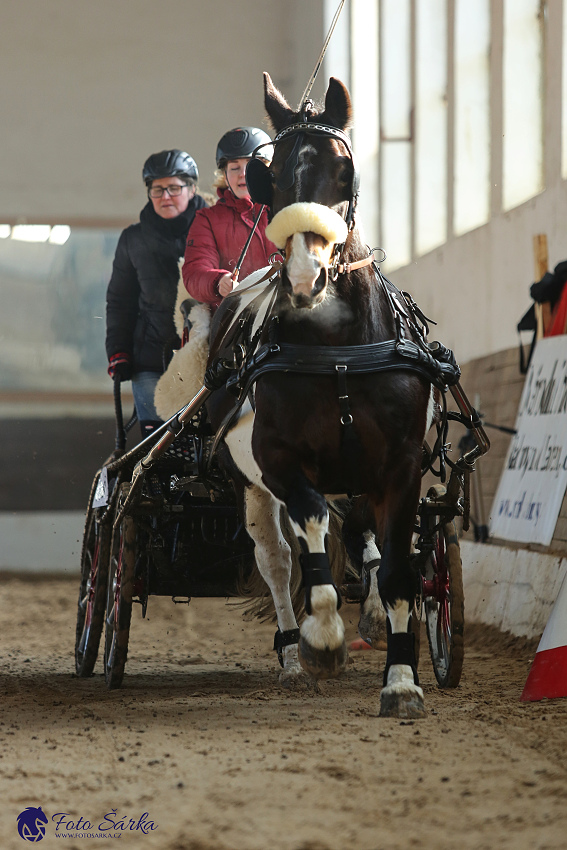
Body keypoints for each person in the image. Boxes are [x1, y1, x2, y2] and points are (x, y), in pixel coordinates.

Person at [106, 149, 208, 437]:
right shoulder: (133, 239)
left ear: (192, 188)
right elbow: (119, 302)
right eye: (157, 189)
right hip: (151, 361)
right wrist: (118, 352)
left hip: (206, 360)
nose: (165, 196)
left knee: (206, 445)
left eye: (174, 188)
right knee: (157, 447)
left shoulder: (212, 230)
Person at [182, 127, 276, 305]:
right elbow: (194, 271)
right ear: (224, 176)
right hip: (234, 316)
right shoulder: (206, 219)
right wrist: (218, 282)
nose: (243, 174)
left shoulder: (286, 209)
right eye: (234, 167)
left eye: (251, 166)